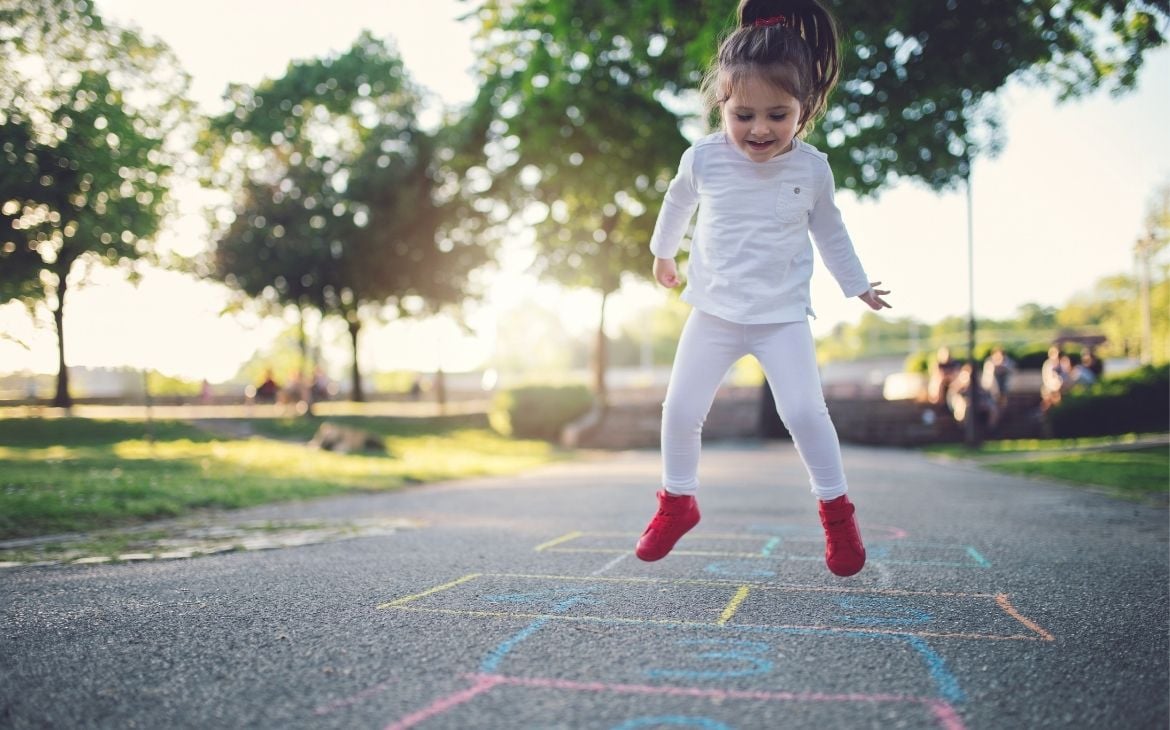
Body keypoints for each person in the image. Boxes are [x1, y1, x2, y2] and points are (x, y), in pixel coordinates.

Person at [638, 0, 891, 578]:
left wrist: (856, 286)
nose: (759, 130)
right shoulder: (704, 156)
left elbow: (830, 228)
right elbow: (678, 199)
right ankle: (677, 502)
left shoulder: (812, 169)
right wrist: (662, 252)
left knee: (804, 410)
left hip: (781, 316)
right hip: (715, 311)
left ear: (804, 110)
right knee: (679, 409)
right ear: (722, 104)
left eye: (778, 115)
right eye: (743, 115)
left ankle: (837, 515)